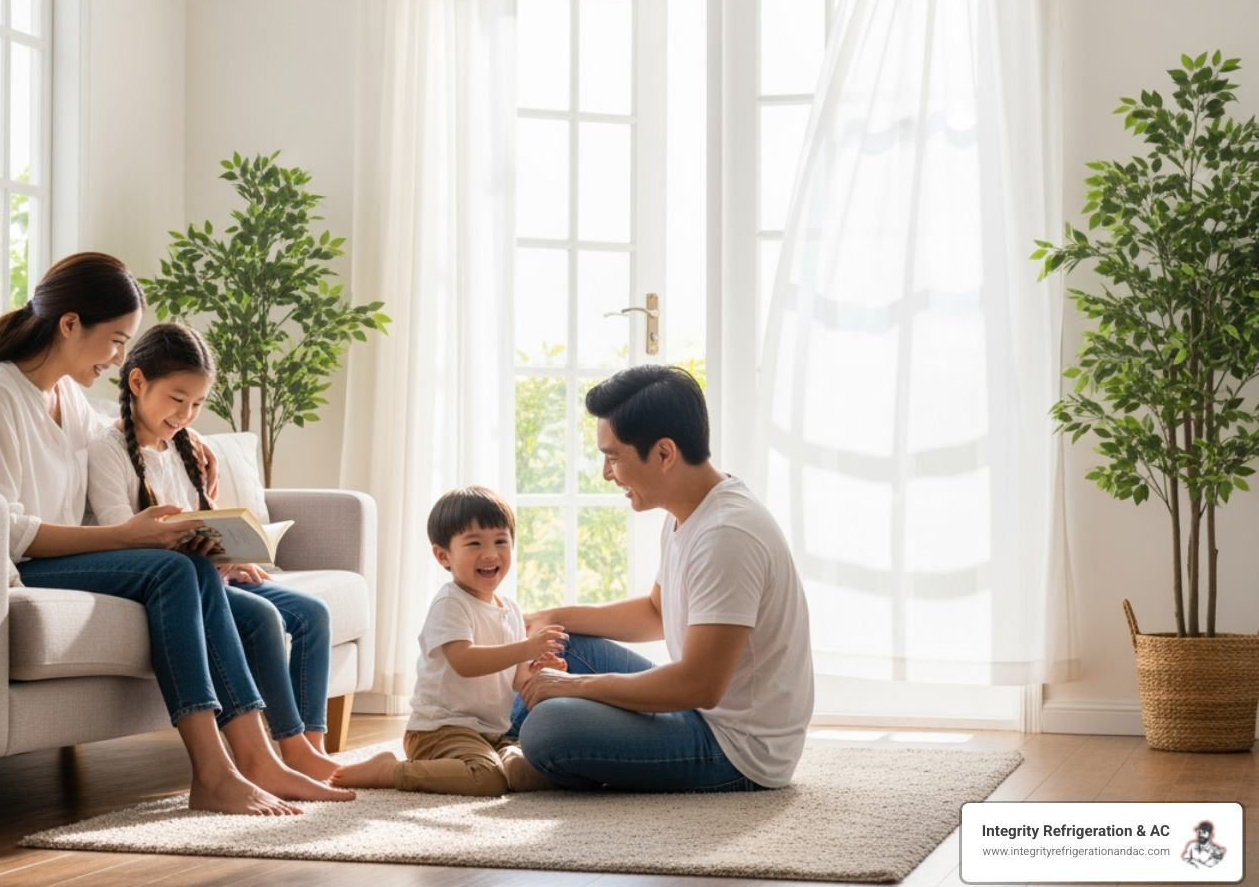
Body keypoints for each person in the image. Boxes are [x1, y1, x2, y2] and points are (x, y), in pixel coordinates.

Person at [0, 251, 352, 816]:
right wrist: (126, 537)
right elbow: (3, 531)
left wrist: (180, 435)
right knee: (174, 569)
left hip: (51, 558)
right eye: (114, 341)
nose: (119, 357)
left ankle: (263, 761)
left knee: (249, 612)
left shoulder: (63, 395)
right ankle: (214, 771)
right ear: (70, 323)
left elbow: (116, 428)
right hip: (18, 566)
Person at [515, 364, 813, 792]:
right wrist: (552, 616)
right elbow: (656, 612)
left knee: (549, 728)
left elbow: (700, 685)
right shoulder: (690, 509)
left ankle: (510, 741)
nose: (606, 473)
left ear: (664, 453)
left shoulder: (727, 534)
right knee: (562, 639)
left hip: (736, 747)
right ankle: (491, 738)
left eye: (613, 456)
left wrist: (575, 687)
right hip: (700, 711)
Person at [86, 321, 341, 782]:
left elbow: (207, 523)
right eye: (177, 399)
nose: (186, 414)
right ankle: (289, 751)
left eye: (198, 404)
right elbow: (118, 534)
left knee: (312, 613)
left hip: (213, 576)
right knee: (263, 619)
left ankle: (310, 747)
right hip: (175, 582)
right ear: (137, 381)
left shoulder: (188, 450)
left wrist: (234, 555)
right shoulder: (108, 449)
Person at [333, 487, 566, 796]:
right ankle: (390, 771)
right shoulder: (450, 603)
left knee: (550, 764)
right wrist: (525, 648)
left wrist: (541, 672)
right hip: (440, 729)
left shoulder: (510, 608)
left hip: (490, 733)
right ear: (443, 555)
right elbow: (464, 661)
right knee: (487, 779)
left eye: (501, 541)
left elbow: (517, 679)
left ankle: (507, 763)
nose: (490, 554)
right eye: (474, 544)